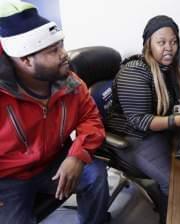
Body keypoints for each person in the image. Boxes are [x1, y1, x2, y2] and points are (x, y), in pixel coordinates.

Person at [107, 15, 180, 222]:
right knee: (176, 185)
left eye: (173, 42)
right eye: (161, 42)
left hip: (161, 129)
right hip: (134, 137)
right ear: (148, 44)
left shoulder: (173, 69)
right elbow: (140, 121)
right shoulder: (134, 72)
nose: (169, 48)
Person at [0, 2, 109, 224]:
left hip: (53, 161)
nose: (64, 54)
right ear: (26, 60)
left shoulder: (71, 83)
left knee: (95, 174)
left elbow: (90, 118)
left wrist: (78, 155)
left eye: (61, 45)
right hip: (8, 178)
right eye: (53, 51)